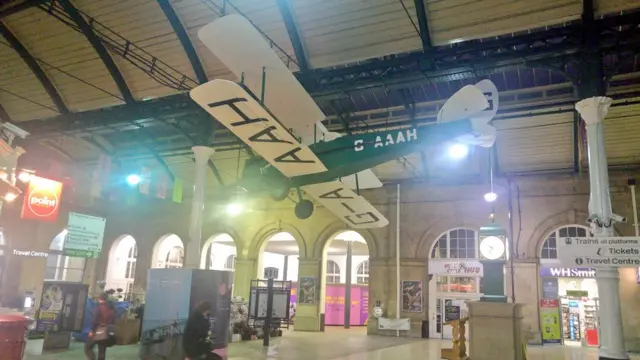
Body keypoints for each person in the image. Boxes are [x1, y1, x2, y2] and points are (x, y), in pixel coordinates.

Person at [85, 292, 116, 360]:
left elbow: (94, 320)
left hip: (97, 330)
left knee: (88, 347)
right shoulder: (111, 308)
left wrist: (92, 331)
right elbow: (113, 320)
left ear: (99, 298)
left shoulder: (98, 307)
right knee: (102, 350)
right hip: (107, 331)